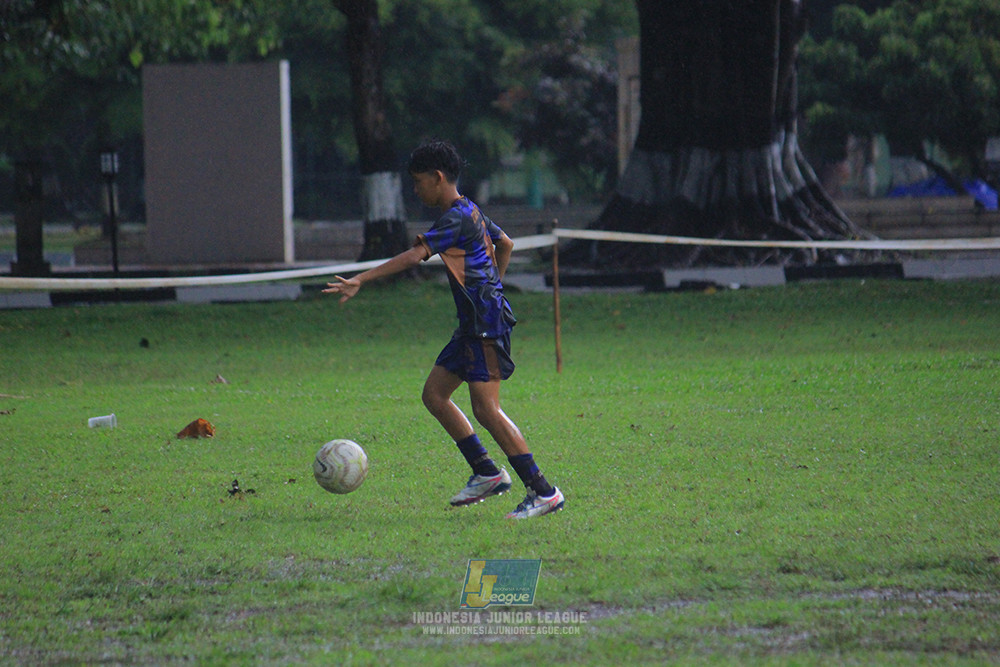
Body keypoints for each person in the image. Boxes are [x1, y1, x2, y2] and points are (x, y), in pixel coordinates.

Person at [323, 140, 564, 519]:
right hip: (474, 324)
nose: (416, 190)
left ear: (437, 178)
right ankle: (486, 473)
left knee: (487, 410)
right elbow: (505, 243)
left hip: (484, 325)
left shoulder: (455, 218)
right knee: (435, 395)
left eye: (419, 182)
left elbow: (414, 256)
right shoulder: (470, 211)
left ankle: (544, 492)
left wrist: (361, 279)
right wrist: (494, 287)